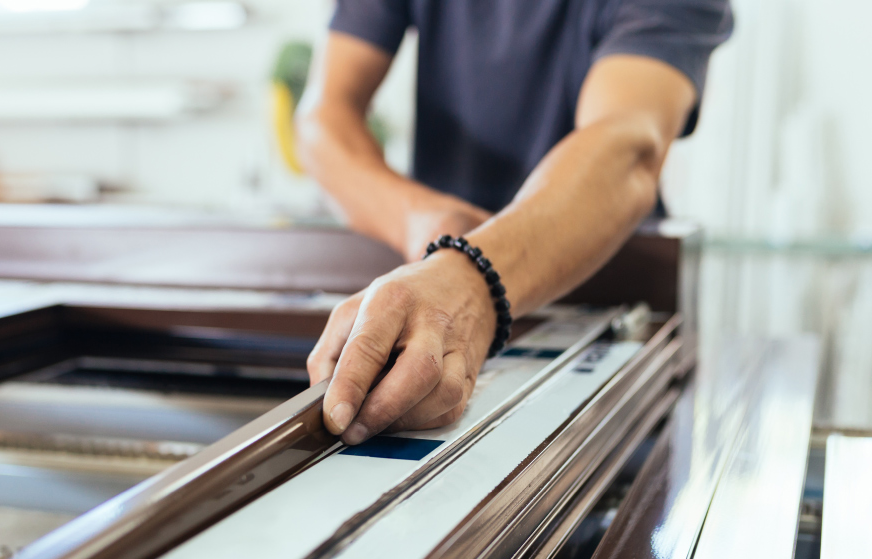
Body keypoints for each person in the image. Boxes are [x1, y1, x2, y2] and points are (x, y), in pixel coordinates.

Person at [297, 0, 733, 445]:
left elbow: (628, 144)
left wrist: (472, 278)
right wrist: (423, 220)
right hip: (436, 289)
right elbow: (323, 119)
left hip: (605, 303)